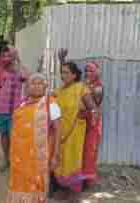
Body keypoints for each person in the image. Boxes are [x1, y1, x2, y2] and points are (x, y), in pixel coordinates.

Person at [6, 73, 61, 203]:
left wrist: (56, 155)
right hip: (19, 157)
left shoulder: (51, 104)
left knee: (37, 185)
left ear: (45, 87)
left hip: (39, 157)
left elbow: (58, 130)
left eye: (40, 83)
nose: (36, 86)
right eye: (33, 83)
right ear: (27, 87)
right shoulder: (22, 105)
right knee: (20, 183)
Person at [53, 61, 99, 201]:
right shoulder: (59, 91)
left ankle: (75, 193)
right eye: (62, 72)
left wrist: (90, 117)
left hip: (75, 133)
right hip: (59, 132)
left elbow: (93, 108)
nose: (63, 75)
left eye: (66, 72)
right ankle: (64, 189)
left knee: (73, 161)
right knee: (62, 161)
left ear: (74, 75)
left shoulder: (81, 88)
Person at [0, 46, 28, 172]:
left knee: (15, 137)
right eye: (4, 55)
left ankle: (15, 161)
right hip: (2, 109)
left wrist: (18, 59)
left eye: (9, 55)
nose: (6, 58)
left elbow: (26, 76)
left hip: (16, 110)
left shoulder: (19, 70)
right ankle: (6, 160)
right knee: (4, 135)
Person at [82, 62, 103, 189]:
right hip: (82, 122)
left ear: (97, 72)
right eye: (86, 71)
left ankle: (88, 181)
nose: (88, 73)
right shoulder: (84, 84)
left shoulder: (98, 87)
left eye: (91, 71)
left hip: (93, 122)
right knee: (82, 150)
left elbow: (95, 102)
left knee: (90, 151)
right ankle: (81, 178)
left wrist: (87, 89)